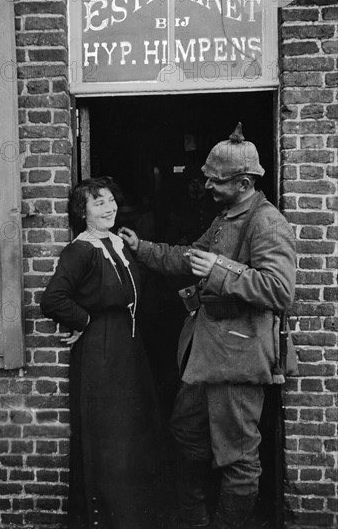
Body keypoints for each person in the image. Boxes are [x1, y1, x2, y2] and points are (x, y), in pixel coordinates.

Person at [119, 123, 298, 529]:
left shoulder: (266, 222)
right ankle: (195, 520)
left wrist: (218, 272)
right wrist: (142, 248)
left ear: (244, 182)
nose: (207, 186)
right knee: (187, 436)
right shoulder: (226, 216)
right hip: (205, 356)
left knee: (237, 457)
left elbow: (280, 290)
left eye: (217, 180)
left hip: (239, 359)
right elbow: (188, 258)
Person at [40, 177, 163, 529]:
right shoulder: (80, 250)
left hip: (127, 346)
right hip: (101, 352)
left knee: (133, 431)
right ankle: (110, 517)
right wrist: (83, 320)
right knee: (111, 434)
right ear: (83, 212)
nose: (109, 208)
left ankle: (135, 513)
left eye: (110, 201)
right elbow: (53, 299)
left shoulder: (118, 243)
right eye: (99, 203)